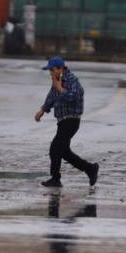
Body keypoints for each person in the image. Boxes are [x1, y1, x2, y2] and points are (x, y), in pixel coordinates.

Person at [34, 56, 99, 189]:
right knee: (63, 151)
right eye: (49, 71)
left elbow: (73, 96)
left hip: (71, 121)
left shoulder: (71, 80)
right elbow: (52, 96)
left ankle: (56, 179)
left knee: (55, 149)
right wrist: (42, 110)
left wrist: (60, 88)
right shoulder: (57, 80)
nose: (50, 73)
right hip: (62, 121)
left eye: (52, 70)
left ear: (60, 68)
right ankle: (90, 169)